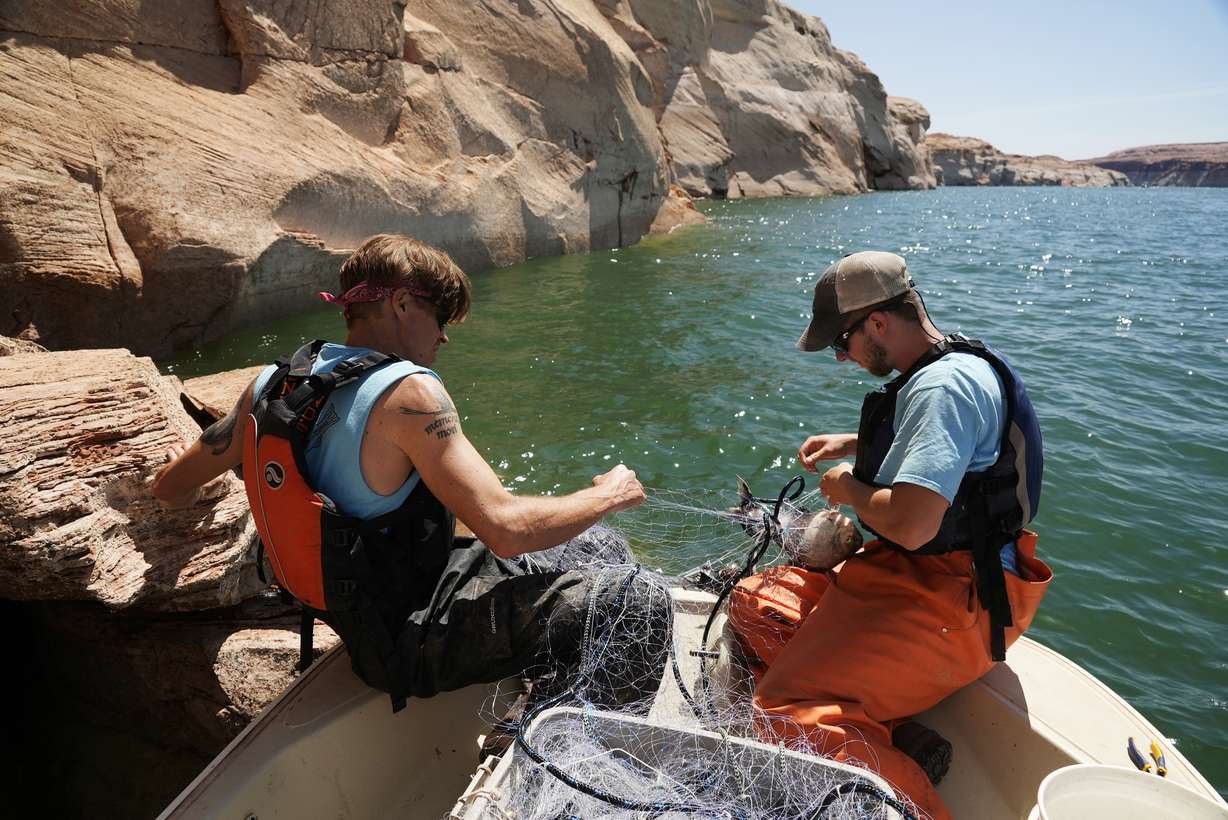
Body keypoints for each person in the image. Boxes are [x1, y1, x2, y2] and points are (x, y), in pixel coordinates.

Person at [152, 234, 667, 714]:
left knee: (584, 547)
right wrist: (608, 495)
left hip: (354, 613)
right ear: (400, 304)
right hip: (409, 635)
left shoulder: (271, 383)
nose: (444, 335)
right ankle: (574, 754)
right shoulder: (410, 393)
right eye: (439, 315)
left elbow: (170, 487)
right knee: (637, 604)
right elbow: (508, 530)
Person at [729, 251, 1052, 820]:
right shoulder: (943, 366)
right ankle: (892, 728)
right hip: (916, 573)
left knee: (780, 712)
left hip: (962, 596)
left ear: (877, 323)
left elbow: (911, 521)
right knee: (755, 603)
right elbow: (949, 450)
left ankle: (914, 805)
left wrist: (848, 487)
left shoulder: (941, 389)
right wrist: (852, 443)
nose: (840, 356)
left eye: (843, 341)